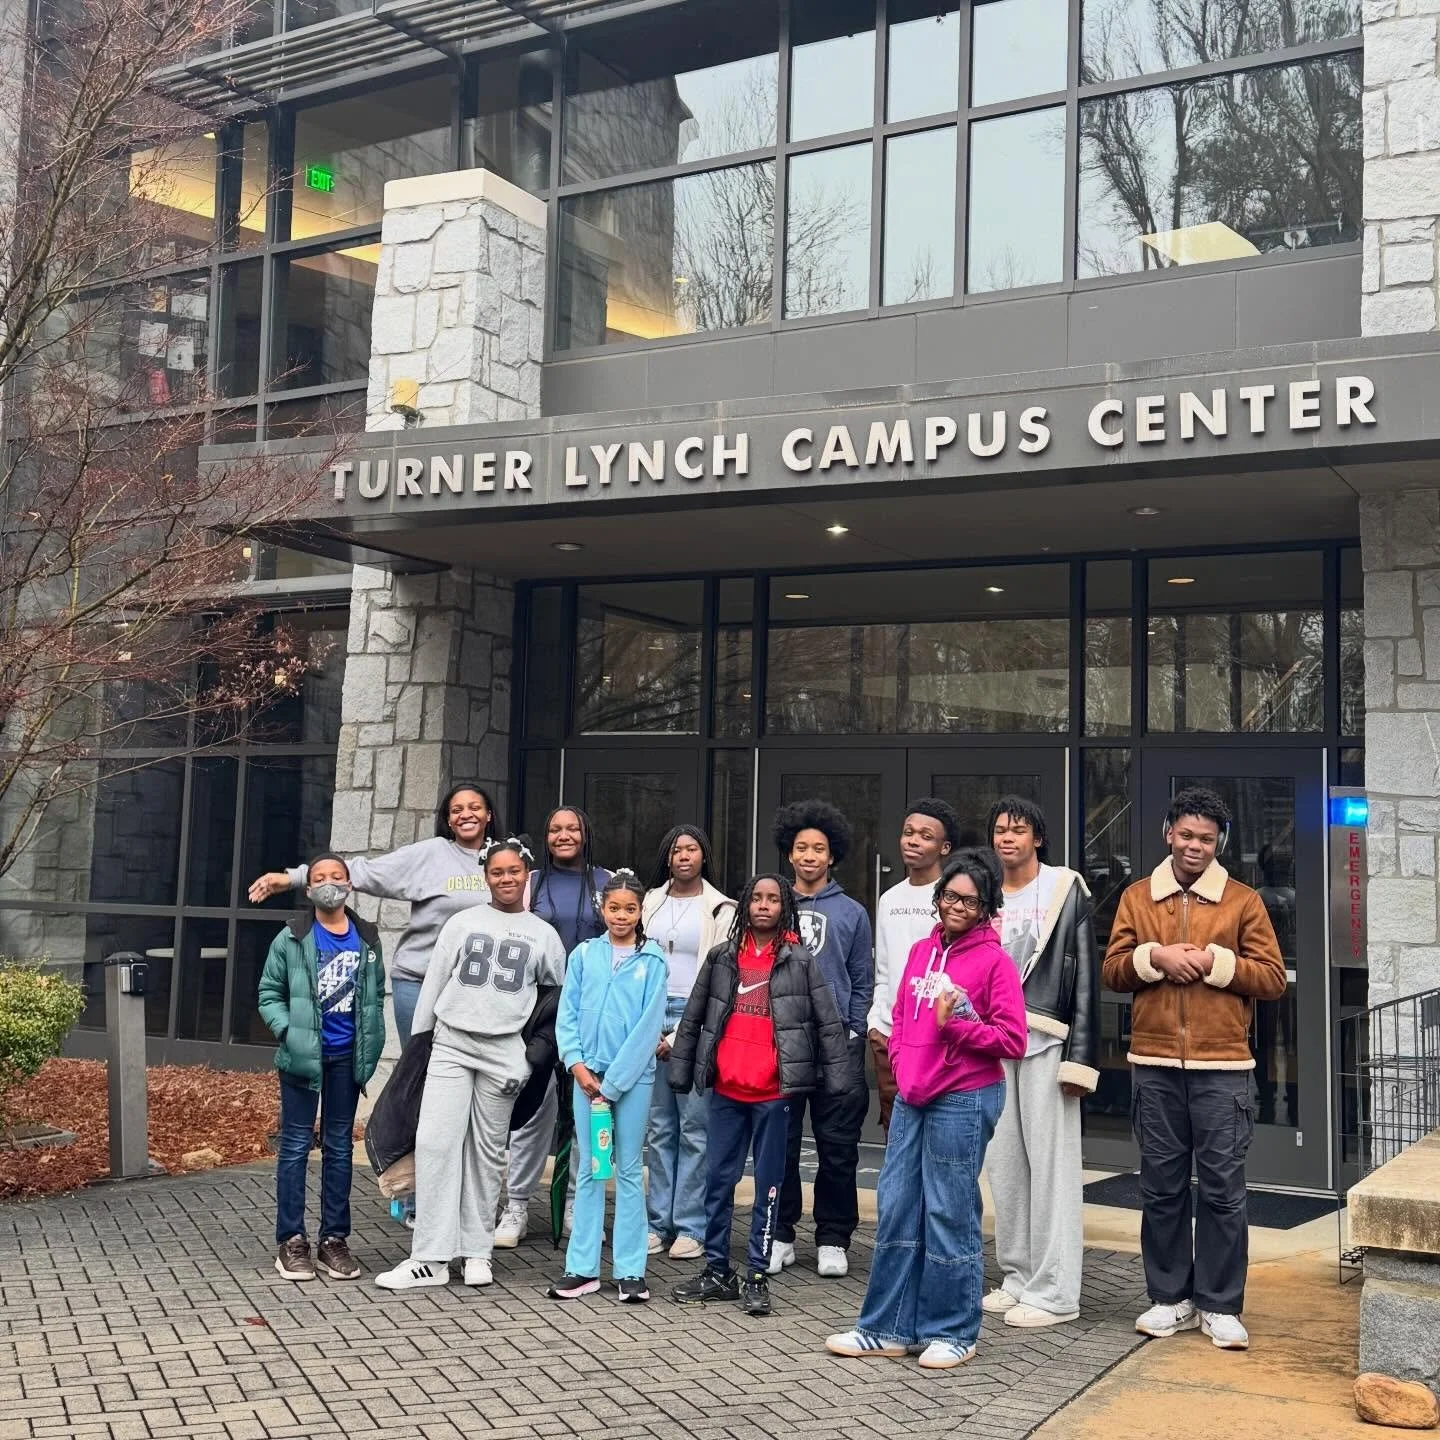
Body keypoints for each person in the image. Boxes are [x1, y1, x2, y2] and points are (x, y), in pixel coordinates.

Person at [826, 849, 1026, 1370]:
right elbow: (899, 1017)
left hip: (963, 1095)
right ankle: (887, 1328)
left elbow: (1012, 1039)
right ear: (938, 899)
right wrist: (897, 1058)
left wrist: (957, 1020)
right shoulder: (919, 951)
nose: (956, 905)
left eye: (969, 899)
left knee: (947, 1210)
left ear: (986, 907)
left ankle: (954, 1330)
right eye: (949, 896)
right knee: (895, 1206)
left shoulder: (994, 962)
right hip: (913, 1095)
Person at [1102, 787, 1285, 1352]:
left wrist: (1214, 962)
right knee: (1161, 1189)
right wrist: (1154, 958)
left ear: (1218, 843)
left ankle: (1221, 1304)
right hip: (1154, 1065)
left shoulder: (1243, 901)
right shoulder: (1137, 897)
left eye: (1206, 838)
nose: (1195, 846)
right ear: (1168, 834)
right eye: (1186, 835)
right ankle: (1169, 1299)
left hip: (1224, 1067)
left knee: (1224, 1192)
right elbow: (1113, 970)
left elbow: (1273, 977)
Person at [375, 838, 566, 1291]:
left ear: (526, 875)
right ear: (486, 876)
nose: (506, 878)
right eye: (497, 872)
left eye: (514, 872)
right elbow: (433, 986)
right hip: (452, 1043)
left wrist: (530, 1057)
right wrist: (419, 1048)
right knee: (437, 1143)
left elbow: (553, 1004)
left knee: (486, 1152)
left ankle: (477, 1251)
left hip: (504, 1052)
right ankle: (431, 1257)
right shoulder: (461, 923)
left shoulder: (544, 934)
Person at [670, 874, 849, 1318]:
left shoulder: (801, 962)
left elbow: (827, 1025)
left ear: (785, 907)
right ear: (744, 905)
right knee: (718, 1181)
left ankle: (755, 1274)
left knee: (769, 1188)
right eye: (756, 898)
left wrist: (839, 1080)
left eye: (773, 899)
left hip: (773, 1094)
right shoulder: (721, 958)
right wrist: (682, 1069)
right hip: (726, 1091)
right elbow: (694, 1017)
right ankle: (716, 1270)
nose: (764, 905)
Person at [248, 783, 501, 1049]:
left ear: (489, 815)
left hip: (475, 987)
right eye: (457, 810)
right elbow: (364, 871)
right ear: (448, 820)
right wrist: (294, 878)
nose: (466, 814)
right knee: (416, 1072)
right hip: (419, 980)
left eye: (475, 808)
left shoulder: (504, 860)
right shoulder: (433, 853)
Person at [980, 796, 1100, 1330]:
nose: (1008, 838)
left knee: (1052, 1168)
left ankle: (1055, 1292)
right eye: (1000, 830)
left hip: (1047, 1039)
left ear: (1038, 838)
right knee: (1005, 1169)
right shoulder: (981, 891)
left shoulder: (1064, 888)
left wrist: (1081, 1058)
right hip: (991, 1041)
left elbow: (1086, 980)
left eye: (1019, 829)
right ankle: (1018, 1276)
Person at [259, 853, 386, 1283]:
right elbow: (268, 993)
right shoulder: (292, 936)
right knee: (295, 1146)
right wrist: (288, 1032)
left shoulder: (366, 938)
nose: (329, 883)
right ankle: (291, 1241)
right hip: (301, 1056)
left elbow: (375, 994)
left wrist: (374, 1040)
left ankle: (334, 1240)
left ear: (349, 885)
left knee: (339, 1147)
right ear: (308, 889)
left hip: (346, 1059)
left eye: (337, 876)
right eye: (319, 878)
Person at [495, 805, 615, 1248]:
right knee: (534, 1112)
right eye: (554, 829)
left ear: (586, 833)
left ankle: (577, 1210)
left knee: (590, 1111)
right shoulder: (532, 883)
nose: (563, 835)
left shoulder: (606, 883)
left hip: (593, 1012)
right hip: (540, 1012)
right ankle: (517, 1207)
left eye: (572, 828)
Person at [549, 872, 668, 1303]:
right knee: (590, 1169)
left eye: (629, 909)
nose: (621, 916)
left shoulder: (653, 961)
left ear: (641, 911)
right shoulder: (583, 955)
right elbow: (568, 1015)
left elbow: (646, 1031)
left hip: (630, 1083)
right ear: (602, 909)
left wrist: (611, 1087)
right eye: (613, 908)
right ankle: (581, 1268)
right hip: (586, 1080)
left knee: (630, 1170)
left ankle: (631, 1270)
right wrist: (578, 1067)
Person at [768, 800, 873, 1279]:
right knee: (781, 1143)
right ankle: (782, 1233)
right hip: (781, 1042)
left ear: (832, 857)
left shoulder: (852, 913)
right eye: (801, 847)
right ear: (789, 854)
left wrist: (852, 1029)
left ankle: (833, 1236)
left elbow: (861, 977)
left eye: (819, 849)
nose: (809, 855)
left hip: (837, 1046)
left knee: (837, 1146)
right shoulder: (768, 904)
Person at [642, 826, 736, 1261]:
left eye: (692, 848)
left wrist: (680, 1035)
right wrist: (648, 1029)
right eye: (676, 848)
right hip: (649, 1012)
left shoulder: (720, 908)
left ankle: (691, 1227)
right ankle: (657, 1223)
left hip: (694, 1018)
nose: (683, 855)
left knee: (695, 1129)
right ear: (666, 856)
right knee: (660, 1127)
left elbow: (719, 979)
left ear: (704, 856)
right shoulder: (649, 901)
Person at [870, 799, 962, 1135]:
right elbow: (883, 969)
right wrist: (875, 1024)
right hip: (889, 1034)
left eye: (925, 836)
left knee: (936, 1133)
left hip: (936, 1034)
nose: (913, 841)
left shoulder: (952, 899)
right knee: (895, 1133)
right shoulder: (889, 898)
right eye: (908, 833)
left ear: (944, 847)